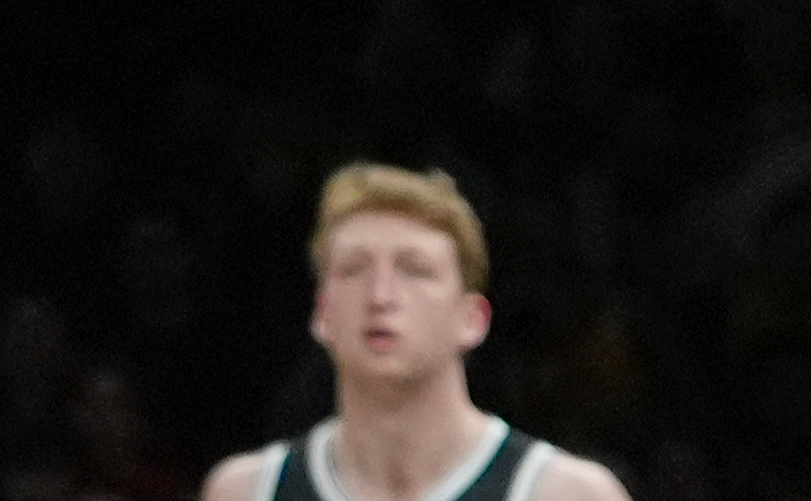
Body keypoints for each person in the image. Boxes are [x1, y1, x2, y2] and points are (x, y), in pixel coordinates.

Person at [195, 168, 623, 501]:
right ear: (322, 313)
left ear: (472, 318)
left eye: (415, 270)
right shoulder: (247, 490)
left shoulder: (564, 492)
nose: (380, 296)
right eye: (353, 270)